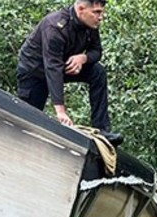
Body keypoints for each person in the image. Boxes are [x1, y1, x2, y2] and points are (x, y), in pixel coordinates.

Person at [16, 0, 122, 145]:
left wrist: (83, 58)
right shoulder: (55, 26)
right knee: (28, 120)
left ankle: (102, 129)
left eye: (101, 12)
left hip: (63, 66)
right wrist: (60, 111)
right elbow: (52, 69)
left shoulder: (90, 24)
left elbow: (97, 52)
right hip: (35, 72)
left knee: (98, 72)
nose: (100, 17)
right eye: (96, 12)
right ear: (81, 9)